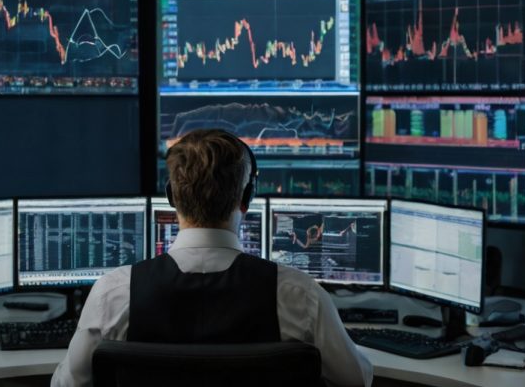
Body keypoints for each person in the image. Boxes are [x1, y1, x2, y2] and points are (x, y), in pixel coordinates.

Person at [50, 129, 373, 387]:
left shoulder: (113, 293)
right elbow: (355, 379)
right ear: (246, 198)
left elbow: (68, 384)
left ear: (171, 197)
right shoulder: (300, 295)